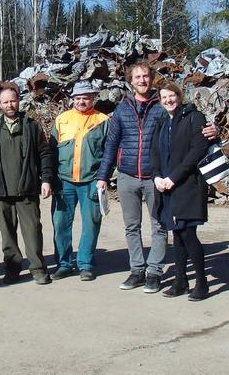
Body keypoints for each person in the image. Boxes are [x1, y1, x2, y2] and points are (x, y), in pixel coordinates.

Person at [97, 63, 217, 294]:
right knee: (132, 226)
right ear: (130, 81)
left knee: (159, 225)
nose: (142, 80)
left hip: (156, 177)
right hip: (127, 175)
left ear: (151, 79)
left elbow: (189, 123)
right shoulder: (122, 109)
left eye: (145, 76)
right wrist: (103, 176)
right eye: (137, 77)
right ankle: (136, 270)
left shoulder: (162, 106)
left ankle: (154, 272)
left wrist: (214, 129)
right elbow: (111, 145)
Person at [0, 87, 57, 285]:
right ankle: (12, 270)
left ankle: (37, 268)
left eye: (13, 101)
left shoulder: (31, 126)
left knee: (32, 231)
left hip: (27, 189)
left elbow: (44, 154)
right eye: (5, 102)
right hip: (1, 191)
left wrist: (46, 179)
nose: (9, 105)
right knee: (7, 235)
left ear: (19, 101)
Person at [150, 81, 212, 301]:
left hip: (187, 186)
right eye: (164, 97)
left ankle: (202, 283)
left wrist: (173, 178)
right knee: (176, 233)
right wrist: (157, 176)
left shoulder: (194, 117)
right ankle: (180, 280)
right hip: (165, 186)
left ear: (179, 95)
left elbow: (198, 150)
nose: (168, 100)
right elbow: (154, 152)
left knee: (188, 233)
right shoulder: (161, 122)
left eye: (171, 96)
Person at [49, 81, 109, 281]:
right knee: (60, 224)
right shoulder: (61, 120)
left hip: (91, 181)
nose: (81, 101)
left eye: (86, 98)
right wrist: (48, 179)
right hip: (63, 181)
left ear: (93, 98)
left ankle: (86, 264)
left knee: (91, 224)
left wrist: (104, 177)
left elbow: (110, 153)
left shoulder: (103, 120)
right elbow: (50, 151)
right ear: (72, 99)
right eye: (78, 98)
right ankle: (64, 264)